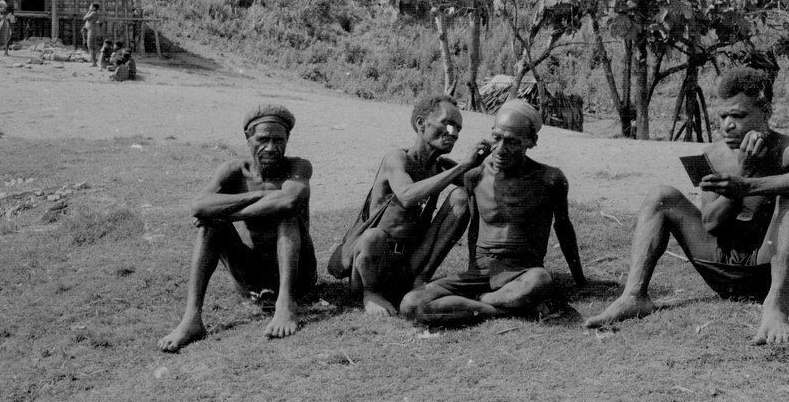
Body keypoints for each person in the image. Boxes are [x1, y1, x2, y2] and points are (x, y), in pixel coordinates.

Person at [586, 67, 789, 345]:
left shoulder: (787, 148)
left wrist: (749, 185)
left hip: (770, 271)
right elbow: (712, 225)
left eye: (738, 116)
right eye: (723, 116)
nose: (727, 125)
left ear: (765, 113)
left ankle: (776, 307)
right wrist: (741, 178)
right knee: (661, 195)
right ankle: (634, 296)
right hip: (723, 273)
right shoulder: (712, 154)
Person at [399, 99, 588, 325]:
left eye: (511, 142)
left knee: (541, 280)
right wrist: (472, 273)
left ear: (531, 141)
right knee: (410, 303)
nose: (499, 149)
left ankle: (480, 303)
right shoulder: (475, 176)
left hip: (522, 272)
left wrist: (580, 280)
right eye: (496, 138)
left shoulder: (550, 179)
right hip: (480, 272)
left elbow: (564, 227)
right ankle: (501, 308)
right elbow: (474, 231)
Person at [158, 104, 317, 351]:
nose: (271, 148)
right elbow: (199, 206)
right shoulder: (233, 171)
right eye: (262, 139)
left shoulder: (298, 166)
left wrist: (228, 214)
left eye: (279, 140)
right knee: (210, 226)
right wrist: (257, 197)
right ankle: (191, 318)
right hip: (250, 278)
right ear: (248, 138)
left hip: (298, 277)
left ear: (287, 140)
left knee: (287, 214)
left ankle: (285, 305)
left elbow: (289, 200)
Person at [329, 95, 493, 316]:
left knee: (460, 198)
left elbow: (480, 184)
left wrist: (492, 157)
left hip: (408, 264)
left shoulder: (440, 166)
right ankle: (371, 293)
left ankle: (420, 279)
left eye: (458, 129)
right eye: (447, 123)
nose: (453, 133)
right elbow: (407, 195)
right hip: (371, 264)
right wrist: (463, 165)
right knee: (373, 237)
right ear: (421, 124)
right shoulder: (396, 158)